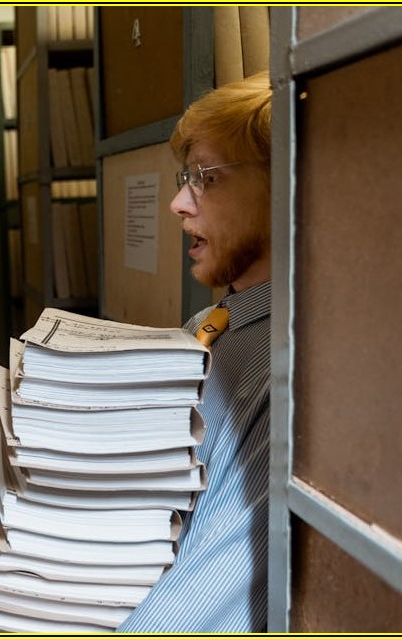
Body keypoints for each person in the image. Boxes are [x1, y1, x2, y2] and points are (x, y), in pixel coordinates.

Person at [117, 72, 272, 632]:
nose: (178, 204)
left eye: (204, 179)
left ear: (283, 184)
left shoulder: (293, 366)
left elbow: (201, 600)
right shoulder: (206, 325)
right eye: (186, 178)